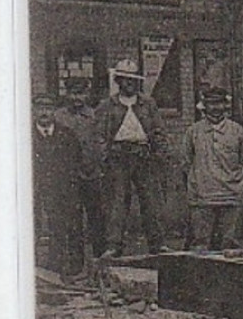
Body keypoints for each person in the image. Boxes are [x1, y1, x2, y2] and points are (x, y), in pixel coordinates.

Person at [96, 58, 168, 257]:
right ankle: (114, 245)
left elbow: (158, 131)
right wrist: (105, 159)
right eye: (125, 79)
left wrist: (160, 155)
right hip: (118, 156)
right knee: (118, 201)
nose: (130, 83)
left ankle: (157, 243)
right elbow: (100, 135)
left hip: (143, 155)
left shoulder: (148, 104)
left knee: (150, 200)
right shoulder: (107, 105)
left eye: (133, 80)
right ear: (118, 81)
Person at [182, 87, 243, 250]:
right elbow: (185, 163)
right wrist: (196, 184)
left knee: (229, 246)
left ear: (226, 106)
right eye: (211, 104)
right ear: (204, 106)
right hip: (202, 198)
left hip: (231, 196)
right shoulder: (193, 132)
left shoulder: (237, 131)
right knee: (201, 245)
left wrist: (241, 189)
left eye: (219, 104)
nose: (216, 108)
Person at [54, 77, 106, 269]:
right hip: (69, 177)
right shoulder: (59, 117)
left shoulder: (93, 116)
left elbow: (100, 142)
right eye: (74, 93)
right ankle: (76, 264)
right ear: (67, 94)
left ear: (87, 94)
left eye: (81, 93)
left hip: (92, 175)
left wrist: (98, 166)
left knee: (97, 218)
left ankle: (100, 262)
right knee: (73, 220)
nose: (77, 98)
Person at [31, 93, 83, 274]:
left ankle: (62, 267)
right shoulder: (23, 136)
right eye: (40, 108)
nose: (44, 112)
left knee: (62, 226)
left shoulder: (67, 135)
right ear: (34, 111)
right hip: (34, 189)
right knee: (33, 227)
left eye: (48, 108)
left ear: (54, 111)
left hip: (61, 188)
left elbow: (76, 161)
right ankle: (35, 269)